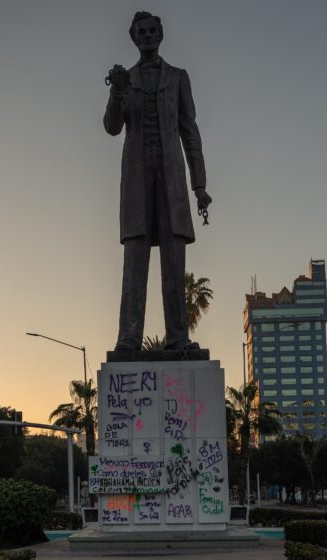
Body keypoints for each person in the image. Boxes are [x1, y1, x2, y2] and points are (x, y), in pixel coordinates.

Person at [104, 11, 212, 352]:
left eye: (152, 30)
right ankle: (129, 336)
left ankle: (178, 337)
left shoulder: (178, 77)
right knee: (135, 259)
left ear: (160, 34)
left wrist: (199, 185)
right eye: (142, 32)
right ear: (134, 38)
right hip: (137, 179)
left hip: (172, 179)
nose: (147, 35)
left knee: (173, 262)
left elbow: (190, 131)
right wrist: (117, 93)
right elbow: (111, 127)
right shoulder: (126, 79)